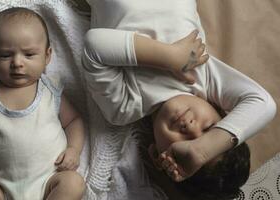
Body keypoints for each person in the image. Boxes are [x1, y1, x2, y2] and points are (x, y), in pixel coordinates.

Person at [81, 0, 277, 199]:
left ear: (157, 155)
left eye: (186, 146)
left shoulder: (124, 107)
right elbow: (264, 104)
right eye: (208, 128)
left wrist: (169, 57)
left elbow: (94, 45)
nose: (191, 128)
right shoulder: (203, 77)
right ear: (219, 107)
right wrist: (203, 150)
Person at [0, 7, 85, 200]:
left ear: (47, 56)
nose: (17, 62)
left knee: (74, 183)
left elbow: (74, 121)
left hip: (49, 180)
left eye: (29, 54)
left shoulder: (49, 92)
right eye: (5, 55)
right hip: (2, 187)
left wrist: (74, 150)